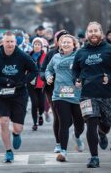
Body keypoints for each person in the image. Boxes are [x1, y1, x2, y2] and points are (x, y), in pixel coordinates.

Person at [72, 21, 111, 168]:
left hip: (107, 94)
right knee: (91, 123)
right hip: (87, 94)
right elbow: (75, 70)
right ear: (86, 34)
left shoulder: (110, 50)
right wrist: (76, 79)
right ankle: (94, 157)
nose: (93, 34)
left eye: (96, 31)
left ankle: (102, 133)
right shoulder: (81, 52)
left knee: (105, 125)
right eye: (90, 31)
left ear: (101, 33)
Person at [0, 31, 37, 163]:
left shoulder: (22, 56)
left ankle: (16, 134)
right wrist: (5, 81)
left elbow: (34, 70)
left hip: (19, 94)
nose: (9, 44)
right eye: (7, 41)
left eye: (12, 41)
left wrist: (24, 80)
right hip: (2, 94)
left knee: (17, 127)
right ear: (2, 42)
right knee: (3, 122)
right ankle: (8, 151)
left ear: (16, 42)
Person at [46, 34, 85, 162]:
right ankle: (63, 151)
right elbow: (48, 69)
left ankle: (77, 136)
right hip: (59, 95)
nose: (66, 44)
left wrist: (81, 80)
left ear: (74, 45)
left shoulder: (79, 56)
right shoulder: (55, 57)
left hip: (77, 95)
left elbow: (85, 70)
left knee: (80, 123)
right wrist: (49, 77)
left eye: (69, 42)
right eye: (63, 42)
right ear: (60, 45)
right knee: (64, 122)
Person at [39, 30, 69, 153]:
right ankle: (58, 143)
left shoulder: (76, 54)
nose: (64, 43)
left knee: (68, 118)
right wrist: (47, 77)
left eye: (66, 40)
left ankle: (69, 135)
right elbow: (42, 70)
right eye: (61, 40)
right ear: (57, 41)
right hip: (52, 90)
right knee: (58, 116)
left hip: (69, 89)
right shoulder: (51, 54)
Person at [27, 38, 47, 131]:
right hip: (31, 82)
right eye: (35, 44)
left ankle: (40, 114)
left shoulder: (45, 56)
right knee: (34, 103)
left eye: (39, 44)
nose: (37, 46)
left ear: (42, 46)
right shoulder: (28, 56)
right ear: (33, 46)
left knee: (41, 104)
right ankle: (35, 123)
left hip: (41, 82)